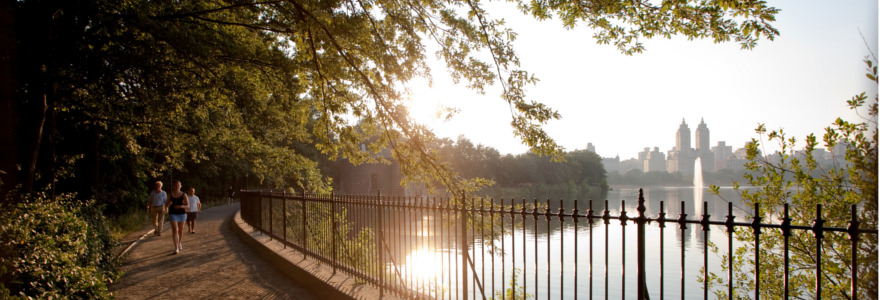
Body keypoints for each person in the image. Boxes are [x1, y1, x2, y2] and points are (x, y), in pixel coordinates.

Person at [165, 180, 188, 254]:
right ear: (174, 186)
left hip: (182, 214)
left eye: (178, 185)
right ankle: (176, 247)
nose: (177, 186)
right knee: (175, 230)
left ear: (180, 186)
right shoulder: (170, 195)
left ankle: (179, 242)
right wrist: (168, 205)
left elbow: (188, 205)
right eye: (176, 185)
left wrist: (181, 206)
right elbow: (166, 205)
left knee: (180, 230)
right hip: (173, 213)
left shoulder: (184, 194)